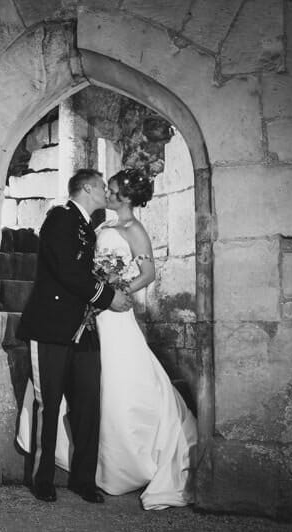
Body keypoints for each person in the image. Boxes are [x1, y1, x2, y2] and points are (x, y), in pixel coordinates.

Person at [15, 169, 132, 503]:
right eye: (101, 188)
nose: (106, 195)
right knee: (48, 404)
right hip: (51, 328)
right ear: (86, 188)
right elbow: (67, 270)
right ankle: (42, 479)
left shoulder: (84, 226)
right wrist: (108, 297)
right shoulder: (60, 218)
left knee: (87, 406)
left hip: (83, 330)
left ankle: (83, 480)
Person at [94, 168, 197, 510]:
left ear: (124, 197)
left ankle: (132, 459)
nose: (106, 195)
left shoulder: (132, 229)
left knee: (121, 378)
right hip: (96, 309)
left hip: (116, 313)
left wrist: (116, 292)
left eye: (110, 190)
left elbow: (149, 273)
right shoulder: (103, 227)